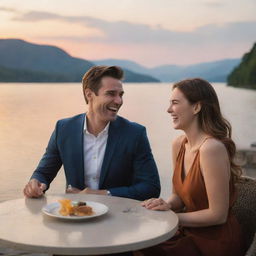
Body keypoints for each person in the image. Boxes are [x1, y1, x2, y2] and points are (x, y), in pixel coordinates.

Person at [140, 78, 245, 256]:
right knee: (138, 242)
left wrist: (170, 218)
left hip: (215, 242)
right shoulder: (179, 144)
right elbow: (178, 196)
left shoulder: (211, 149)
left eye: (175, 103)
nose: (168, 109)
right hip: (188, 232)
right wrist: (165, 205)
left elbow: (218, 215)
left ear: (196, 107)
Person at [23, 65, 160, 200]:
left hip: (120, 217)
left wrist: (102, 194)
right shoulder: (64, 129)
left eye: (120, 95)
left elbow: (151, 187)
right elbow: (43, 172)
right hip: (75, 215)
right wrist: (36, 183)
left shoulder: (135, 133)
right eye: (111, 94)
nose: (119, 101)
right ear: (89, 94)